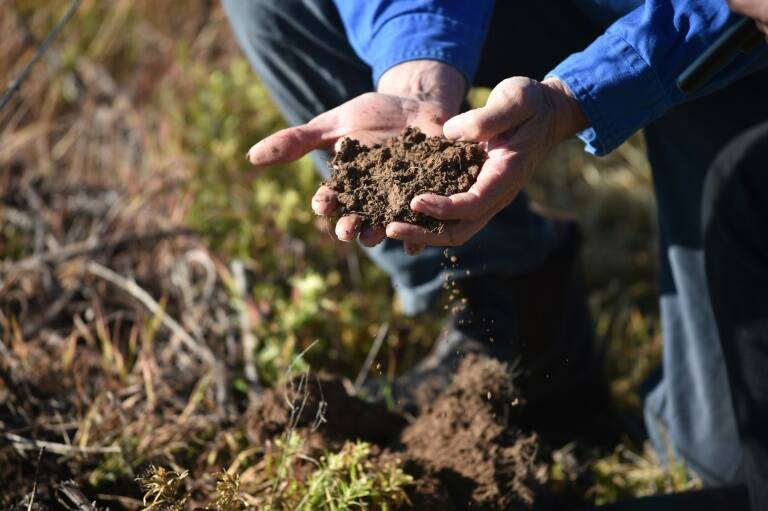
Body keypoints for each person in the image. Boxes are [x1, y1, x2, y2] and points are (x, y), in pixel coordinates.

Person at [224, 0, 768, 507]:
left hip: (735, 41)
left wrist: (576, 94)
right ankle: (515, 320)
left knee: (721, 459)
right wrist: (415, 64)